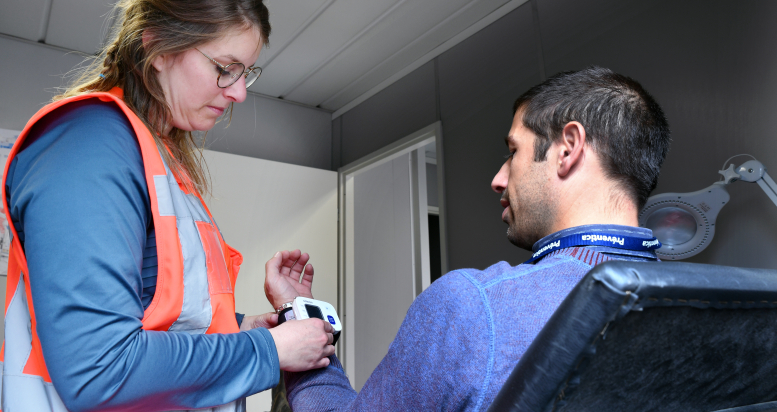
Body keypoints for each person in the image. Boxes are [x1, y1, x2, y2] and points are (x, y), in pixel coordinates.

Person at [0, 0, 334, 411]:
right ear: (157, 47)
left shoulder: (161, 158)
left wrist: (240, 328)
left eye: (247, 72)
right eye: (225, 68)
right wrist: (267, 351)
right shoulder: (89, 144)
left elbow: (159, 315)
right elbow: (100, 368)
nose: (239, 93)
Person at [264, 66, 671, 411]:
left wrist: (297, 316)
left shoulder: (474, 307)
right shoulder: (699, 309)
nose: (498, 179)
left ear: (568, 148)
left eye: (513, 151)